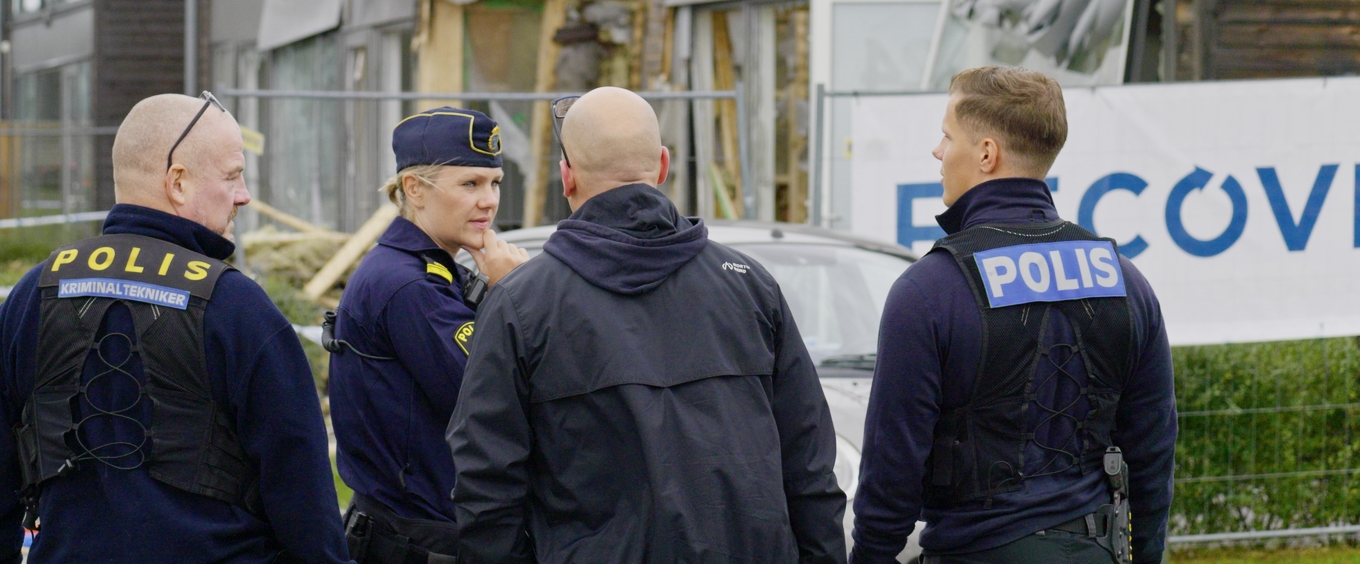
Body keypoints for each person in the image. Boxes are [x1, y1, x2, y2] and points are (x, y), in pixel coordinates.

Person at [448, 86, 847, 564]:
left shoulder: (521, 303)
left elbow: (486, 486)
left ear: (566, 176)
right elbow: (810, 467)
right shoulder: (750, 288)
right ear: (662, 165)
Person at [0, 92, 350, 564]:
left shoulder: (35, 295)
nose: (243, 195)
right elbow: (302, 493)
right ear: (177, 182)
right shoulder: (236, 307)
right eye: (232, 176)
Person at [849, 67, 1175, 564]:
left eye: (946, 135)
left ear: (985, 153)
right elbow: (1153, 451)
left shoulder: (929, 292)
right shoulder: (1125, 282)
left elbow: (890, 474)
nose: (938, 151)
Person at [328, 107, 531, 564]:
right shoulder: (411, 285)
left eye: (494, 183)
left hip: (416, 529)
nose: (489, 201)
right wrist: (512, 296)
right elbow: (494, 403)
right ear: (415, 190)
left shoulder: (427, 268)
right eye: (469, 184)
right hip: (421, 539)